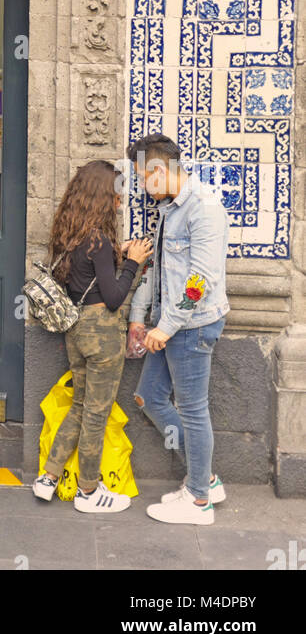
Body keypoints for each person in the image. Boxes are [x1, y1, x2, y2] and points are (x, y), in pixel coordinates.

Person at [33, 160, 153, 513]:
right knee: (96, 414)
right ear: (102, 197)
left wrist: (118, 255)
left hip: (74, 329)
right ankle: (88, 491)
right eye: (116, 196)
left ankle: (48, 477)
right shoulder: (98, 239)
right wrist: (132, 263)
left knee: (80, 406)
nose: (119, 203)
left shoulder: (69, 233)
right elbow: (114, 297)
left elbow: (86, 277)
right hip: (102, 333)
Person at [126, 133, 229, 525]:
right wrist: (140, 316)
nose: (140, 185)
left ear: (157, 169)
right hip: (169, 325)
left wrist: (166, 327)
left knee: (193, 411)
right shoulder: (169, 209)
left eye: (141, 177)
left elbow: (199, 279)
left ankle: (199, 500)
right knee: (149, 397)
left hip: (193, 326)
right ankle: (207, 479)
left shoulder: (204, 209)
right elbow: (158, 272)